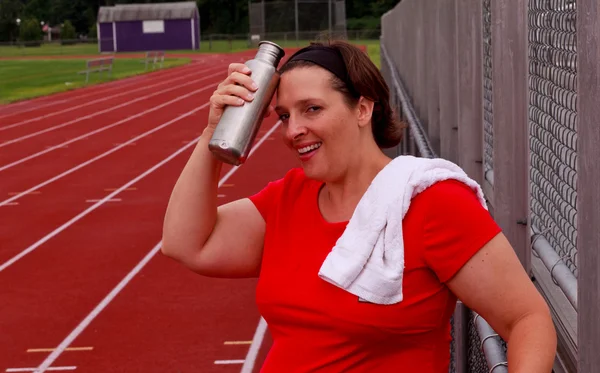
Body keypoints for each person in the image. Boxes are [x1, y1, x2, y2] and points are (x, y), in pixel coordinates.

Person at [161, 40, 557, 372]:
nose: (293, 130)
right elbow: (186, 243)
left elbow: (527, 320)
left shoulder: (432, 202)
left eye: (312, 109)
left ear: (363, 109)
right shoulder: (289, 196)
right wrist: (213, 134)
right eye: (284, 116)